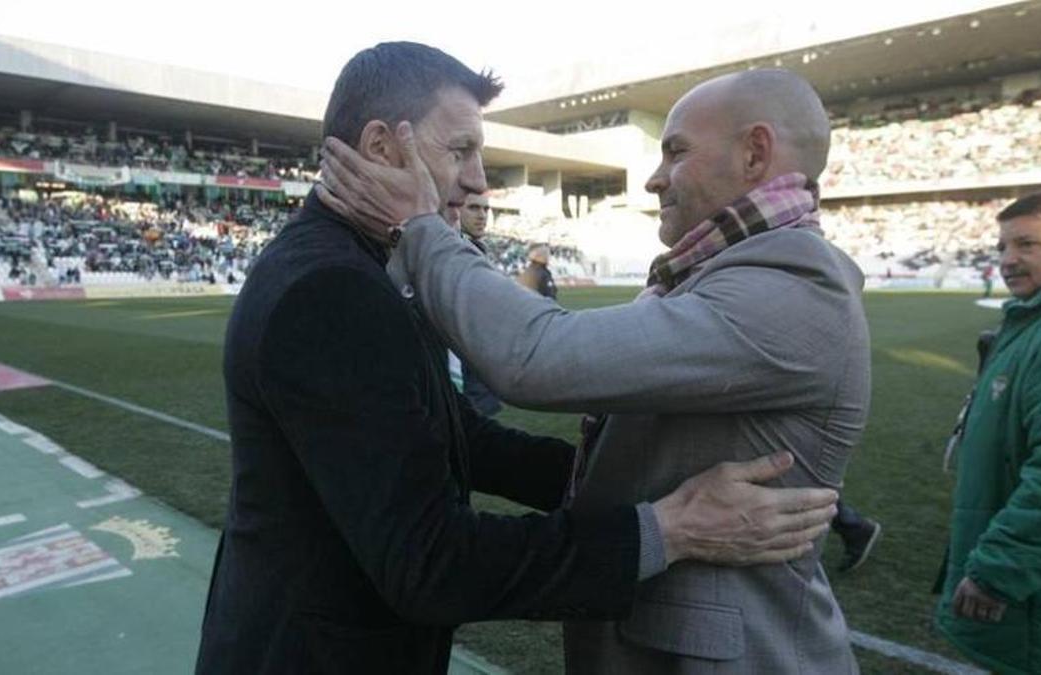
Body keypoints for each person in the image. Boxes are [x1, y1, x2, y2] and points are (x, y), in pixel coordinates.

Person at [197, 44, 838, 675]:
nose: (479, 179)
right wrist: (667, 529)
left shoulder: (361, 264)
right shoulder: (331, 289)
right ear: (381, 148)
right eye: (460, 151)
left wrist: (620, 484)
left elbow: (453, 435)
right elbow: (432, 563)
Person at [934, 189, 1041, 674]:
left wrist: (999, 571)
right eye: (1002, 247)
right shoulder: (1037, 319)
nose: (1007, 260)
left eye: (1027, 245)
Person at [455, 192, 502, 417]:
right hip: (462, 375)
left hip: (481, 371)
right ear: (455, 208)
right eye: (474, 208)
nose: (482, 215)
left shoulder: (477, 249)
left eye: (486, 209)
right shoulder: (451, 253)